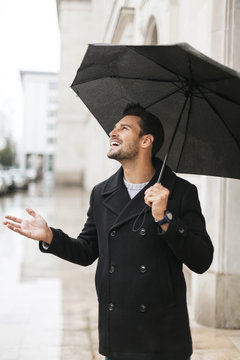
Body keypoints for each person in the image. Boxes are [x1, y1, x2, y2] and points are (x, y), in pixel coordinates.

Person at [4, 103, 214, 360]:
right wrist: (50, 236)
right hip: (118, 331)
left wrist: (165, 218)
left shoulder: (180, 192)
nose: (112, 133)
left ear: (146, 140)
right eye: (113, 128)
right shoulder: (101, 193)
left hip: (164, 335)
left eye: (123, 128)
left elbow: (202, 260)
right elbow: (86, 251)